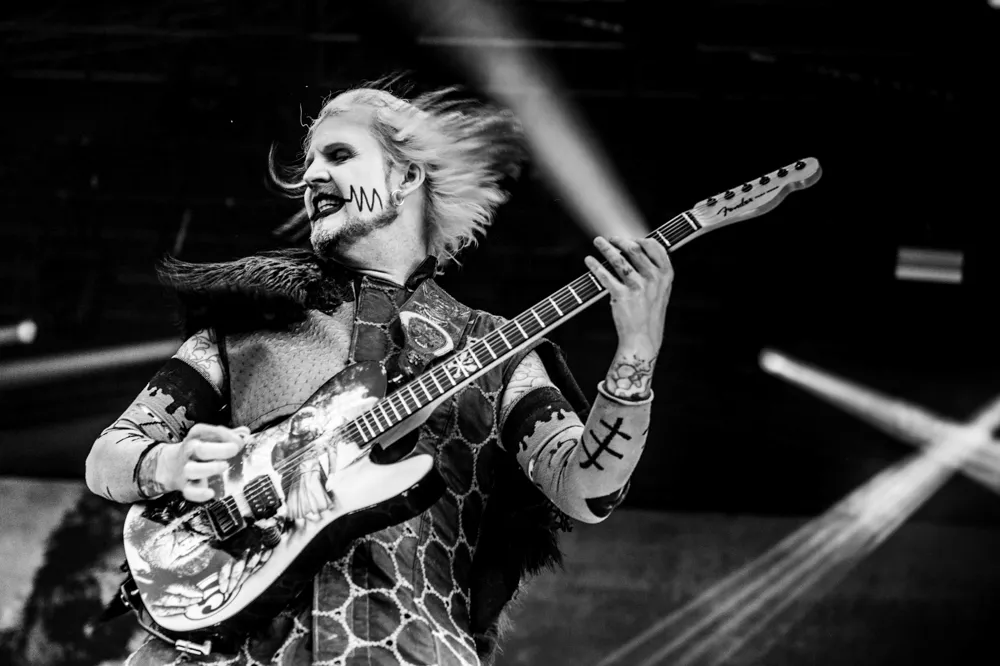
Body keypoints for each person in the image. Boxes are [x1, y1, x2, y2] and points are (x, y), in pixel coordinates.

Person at [86, 83, 674, 666]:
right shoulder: (249, 322)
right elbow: (108, 455)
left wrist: (637, 352)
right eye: (310, 163)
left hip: (413, 649)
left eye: (339, 155)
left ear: (407, 176)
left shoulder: (494, 350)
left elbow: (587, 490)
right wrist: (170, 464)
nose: (311, 176)